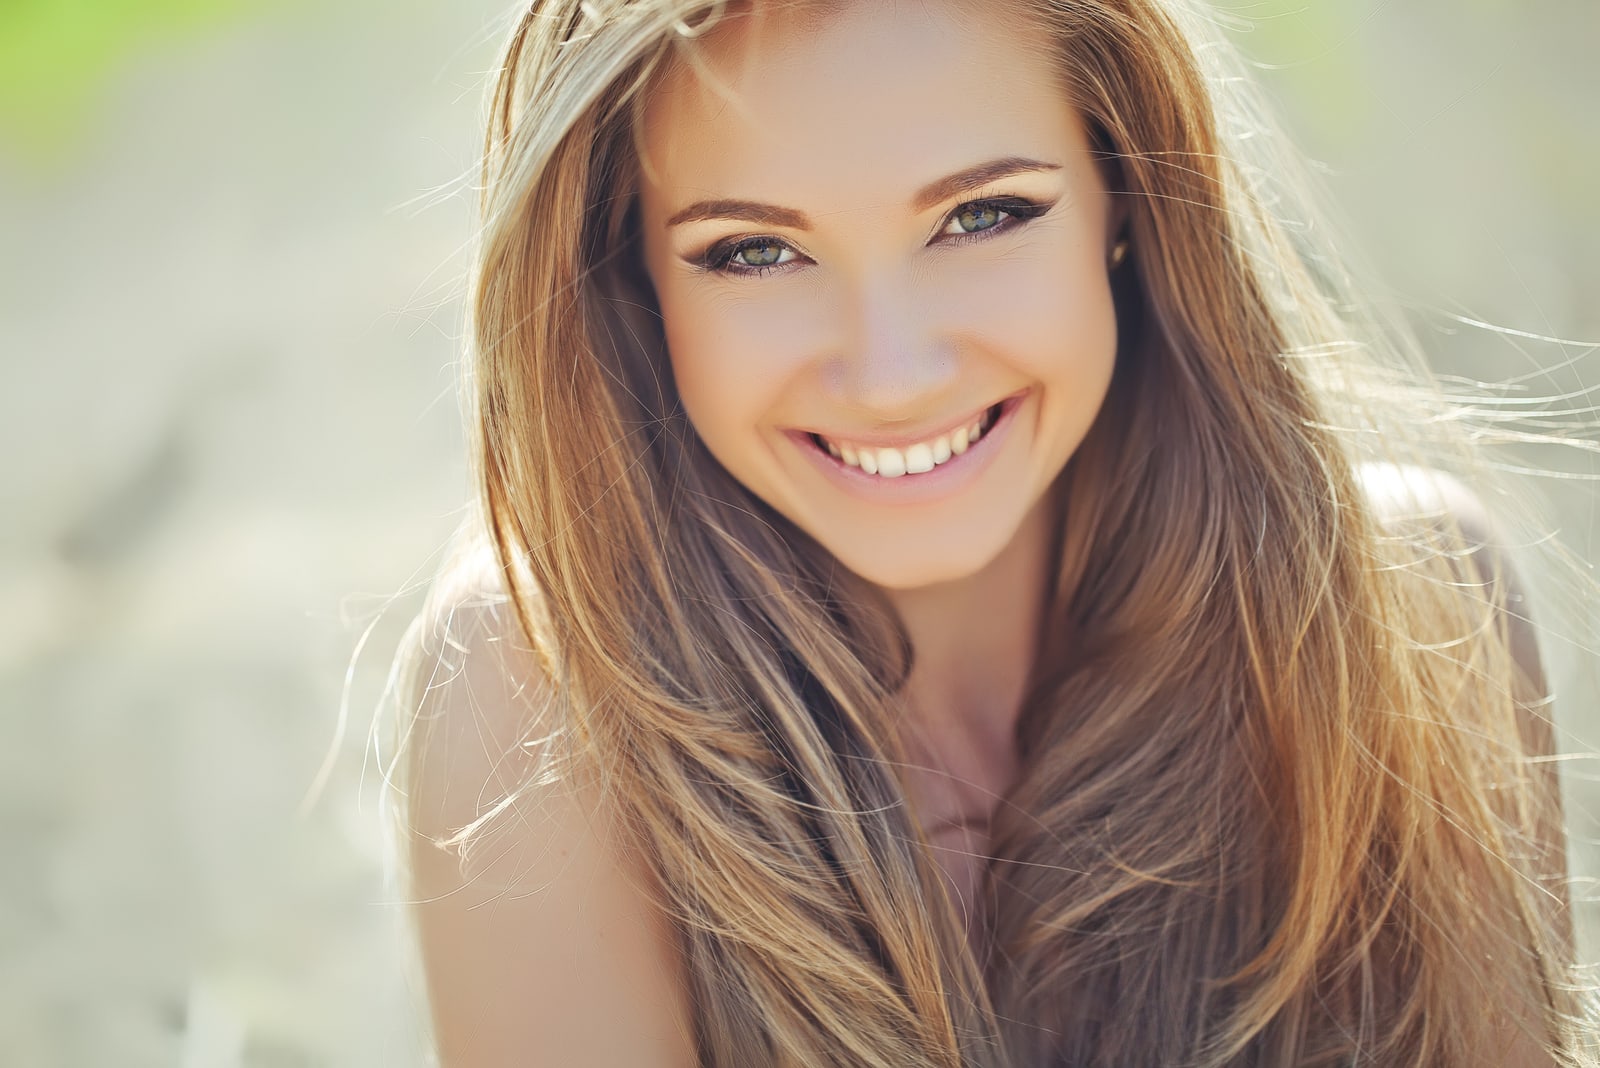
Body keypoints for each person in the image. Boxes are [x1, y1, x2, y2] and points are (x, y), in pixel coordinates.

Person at [383, 0, 1595, 1063]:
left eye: (980, 218)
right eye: (754, 250)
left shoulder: (1424, 617)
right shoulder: (538, 696)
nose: (890, 373)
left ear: (1125, 194)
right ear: (635, 281)